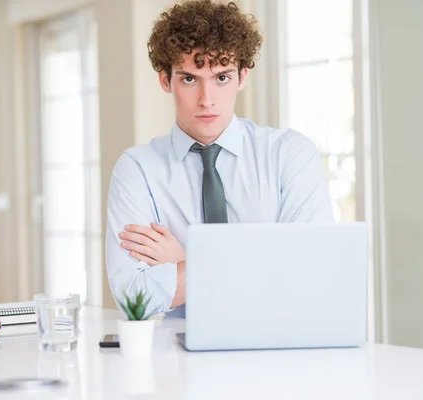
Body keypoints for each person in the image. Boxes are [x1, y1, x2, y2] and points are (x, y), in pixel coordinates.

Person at [106, 0, 334, 318]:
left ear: (242, 76)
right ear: (164, 80)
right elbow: (133, 298)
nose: (207, 99)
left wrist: (189, 261)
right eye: (189, 79)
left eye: (222, 78)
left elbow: (311, 277)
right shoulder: (138, 170)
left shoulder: (290, 155)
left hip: (279, 353)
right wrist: (259, 264)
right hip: (179, 361)